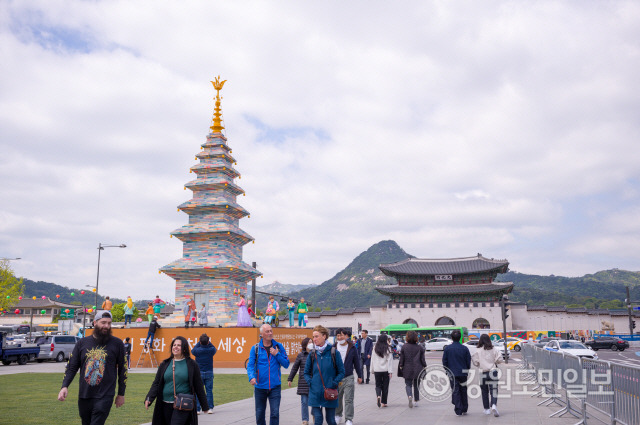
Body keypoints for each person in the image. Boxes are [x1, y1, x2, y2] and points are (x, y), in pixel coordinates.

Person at [58, 311, 126, 425]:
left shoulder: (117, 344)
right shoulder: (82, 343)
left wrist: (121, 394)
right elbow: (72, 366)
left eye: (109, 323)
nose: (106, 326)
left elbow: (123, 370)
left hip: (105, 395)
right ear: (94, 323)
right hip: (85, 394)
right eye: (103, 322)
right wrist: (64, 386)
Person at [144, 336, 210, 424]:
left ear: (184, 348)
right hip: (165, 404)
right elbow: (156, 383)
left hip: (182, 405)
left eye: (179, 345)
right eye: (174, 345)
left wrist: (204, 406)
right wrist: (149, 398)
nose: (175, 347)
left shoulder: (191, 364)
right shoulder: (165, 364)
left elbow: (199, 386)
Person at [247, 324, 290, 425]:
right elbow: (250, 365)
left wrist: (277, 354)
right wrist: (251, 377)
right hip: (260, 387)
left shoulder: (278, 347)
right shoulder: (255, 348)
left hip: (275, 387)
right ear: (261, 334)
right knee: (259, 414)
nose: (270, 333)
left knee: (275, 413)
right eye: (267, 331)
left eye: (271, 331)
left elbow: (286, 364)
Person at [304, 325, 345, 425]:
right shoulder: (312, 354)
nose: (314, 339)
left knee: (330, 420)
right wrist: (311, 382)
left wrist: (334, 382)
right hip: (315, 392)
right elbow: (306, 372)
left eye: (316, 336)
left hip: (330, 391)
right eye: (313, 337)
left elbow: (342, 372)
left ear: (324, 336)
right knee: (317, 419)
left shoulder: (334, 352)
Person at [334, 328, 362, 425]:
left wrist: (360, 375)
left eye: (341, 335)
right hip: (336, 377)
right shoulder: (333, 348)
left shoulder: (352, 348)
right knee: (337, 398)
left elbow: (357, 363)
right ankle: (337, 415)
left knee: (349, 399)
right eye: (337, 336)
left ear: (346, 336)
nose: (339, 337)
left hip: (348, 376)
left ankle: (349, 419)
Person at [472, 334, 503, 417]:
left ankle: (486, 409)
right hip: (493, 371)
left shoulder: (477, 350)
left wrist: (480, 364)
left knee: (484, 391)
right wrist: (495, 362)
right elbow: (500, 359)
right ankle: (493, 405)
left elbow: (475, 362)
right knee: (494, 390)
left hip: (483, 372)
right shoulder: (494, 349)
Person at [442, 329, 471, 416]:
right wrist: (467, 369)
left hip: (452, 372)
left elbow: (445, 362)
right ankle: (465, 407)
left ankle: (458, 408)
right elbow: (468, 361)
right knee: (463, 390)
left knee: (455, 390)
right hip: (463, 372)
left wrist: (447, 370)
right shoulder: (465, 348)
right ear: (460, 338)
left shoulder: (447, 349)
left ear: (451, 338)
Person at [398, 330, 426, 408]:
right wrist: (425, 366)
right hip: (418, 368)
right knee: (416, 385)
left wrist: (401, 365)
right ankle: (416, 401)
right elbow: (422, 359)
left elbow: (402, 359)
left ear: (407, 337)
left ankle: (410, 396)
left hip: (407, 368)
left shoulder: (404, 346)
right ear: (416, 338)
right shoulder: (419, 347)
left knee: (408, 384)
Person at [288, 337, 312, 425]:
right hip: (304, 382)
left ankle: (315, 415)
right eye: (309, 342)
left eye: (312, 342)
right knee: (304, 402)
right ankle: (305, 419)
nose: (311, 344)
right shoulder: (301, 355)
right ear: (305, 345)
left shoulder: (317, 354)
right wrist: (290, 378)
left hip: (315, 381)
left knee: (315, 401)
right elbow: (295, 368)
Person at [191, 333, 217, 415]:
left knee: (198, 391)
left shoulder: (197, 350)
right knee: (209, 391)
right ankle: (210, 408)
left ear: (200, 342)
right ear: (208, 342)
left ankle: (198, 409)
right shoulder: (211, 350)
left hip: (199, 373)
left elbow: (193, 350)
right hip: (209, 372)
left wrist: (199, 342)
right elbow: (214, 348)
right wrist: (207, 342)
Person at [371, 334, 393, 408]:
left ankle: (378, 396)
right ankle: (384, 402)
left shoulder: (375, 348)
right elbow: (389, 361)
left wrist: (372, 369)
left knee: (378, 385)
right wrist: (390, 371)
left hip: (377, 370)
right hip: (385, 370)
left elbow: (372, 360)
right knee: (385, 386)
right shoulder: (388, 348)